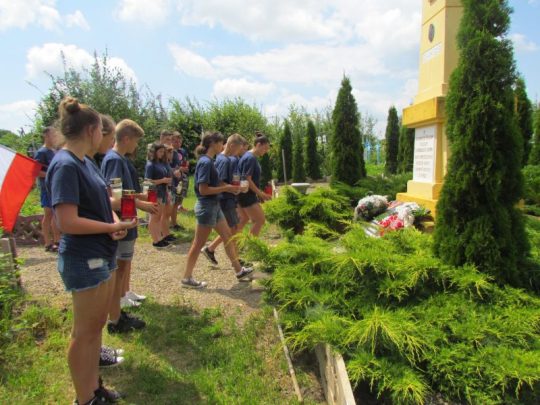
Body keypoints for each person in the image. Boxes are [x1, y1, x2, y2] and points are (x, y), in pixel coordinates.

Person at [46, 96, 137, 405]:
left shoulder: (86, 162)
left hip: (100, 252)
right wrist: (110, 228)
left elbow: (100, 201)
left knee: (96, 326)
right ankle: (85, 398)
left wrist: (114, 222)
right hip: (84, 257)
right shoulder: (65, 164)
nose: (103, 135)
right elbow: (67, 221)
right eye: (101, 129)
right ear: (90, 130)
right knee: (84, 332)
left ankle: (94, 388)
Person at [101, 120, 157, 336]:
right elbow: (114, 195)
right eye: (136, 141)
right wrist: (141, 204)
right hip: (122, 220)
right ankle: (116, 308)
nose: (137, 146)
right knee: (119, 266)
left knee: (124, 264)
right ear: (126, 138)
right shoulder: (114, 160)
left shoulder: (121, 159)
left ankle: (122, 297)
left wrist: (141, 197)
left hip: (128, 218)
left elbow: (126, 191)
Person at [181, 131, 254, 289]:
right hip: (206, 207)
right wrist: (227, 188)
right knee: (198, 243)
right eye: (221, 142)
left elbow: (217, 182)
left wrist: (230, 187)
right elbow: (203, 190)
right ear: (213, 143)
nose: (223, 145)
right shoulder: (205, 162)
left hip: (214, 205)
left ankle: (239, 271)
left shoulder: (210, 161)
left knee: (228, 236)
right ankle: (186, 277)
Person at [201, 133, 247, 265]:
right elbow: (219, 182)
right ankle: (236, 262)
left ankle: (211, 249)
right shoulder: (224, 160)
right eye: (238, 149)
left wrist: (235, 188)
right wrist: (233, 188)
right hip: (225, 200)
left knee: (231, 230)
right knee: (233, 231)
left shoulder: (225, 159)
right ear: (232, 145)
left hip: (228, 198)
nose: (238, 153)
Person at [237, 132, 272, 236]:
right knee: (260, 220)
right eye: (265, 148)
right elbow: (247, 179)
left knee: (244, 220)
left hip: (245, 194)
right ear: (258, 145)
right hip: (246, 195)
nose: (266, 151)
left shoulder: (249, 157)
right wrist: (261, 194)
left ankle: (232, 242)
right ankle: (250, 244)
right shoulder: (250, 158)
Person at [34, 126, 60, 252]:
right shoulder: (41, 152)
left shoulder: (55, 151)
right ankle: (47, 242)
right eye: (52, 134)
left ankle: (57, 241)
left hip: (55, 187)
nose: (54, 137)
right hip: (46, 188)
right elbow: (36, 171)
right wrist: (51, 174)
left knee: (56, 213)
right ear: (46, 136)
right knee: (49, 213)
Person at [145, 143, 173, 248]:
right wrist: (162, 180)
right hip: (154, 192)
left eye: (163, 152)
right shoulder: (150, 165)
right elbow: (147, 181)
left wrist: (166, 188)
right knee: (154, 216)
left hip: (162, 192)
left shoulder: (160, 163)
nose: (162, 154)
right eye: (160, 151)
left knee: (159, 216)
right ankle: (156, 240)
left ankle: (159, 237)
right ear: (154, 152)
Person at [172, 131, 190, 212]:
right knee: (175, 190)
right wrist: (179, 168)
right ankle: (174, 206)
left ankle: (180, 205)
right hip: (174, 174)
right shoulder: (170, 151)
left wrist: (186, 165)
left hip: (183, 173)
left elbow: (185, 160)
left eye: (180, 142)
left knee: (183, 188)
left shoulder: (182, 151)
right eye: (176, 142)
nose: (178, 144)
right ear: (172, 141)